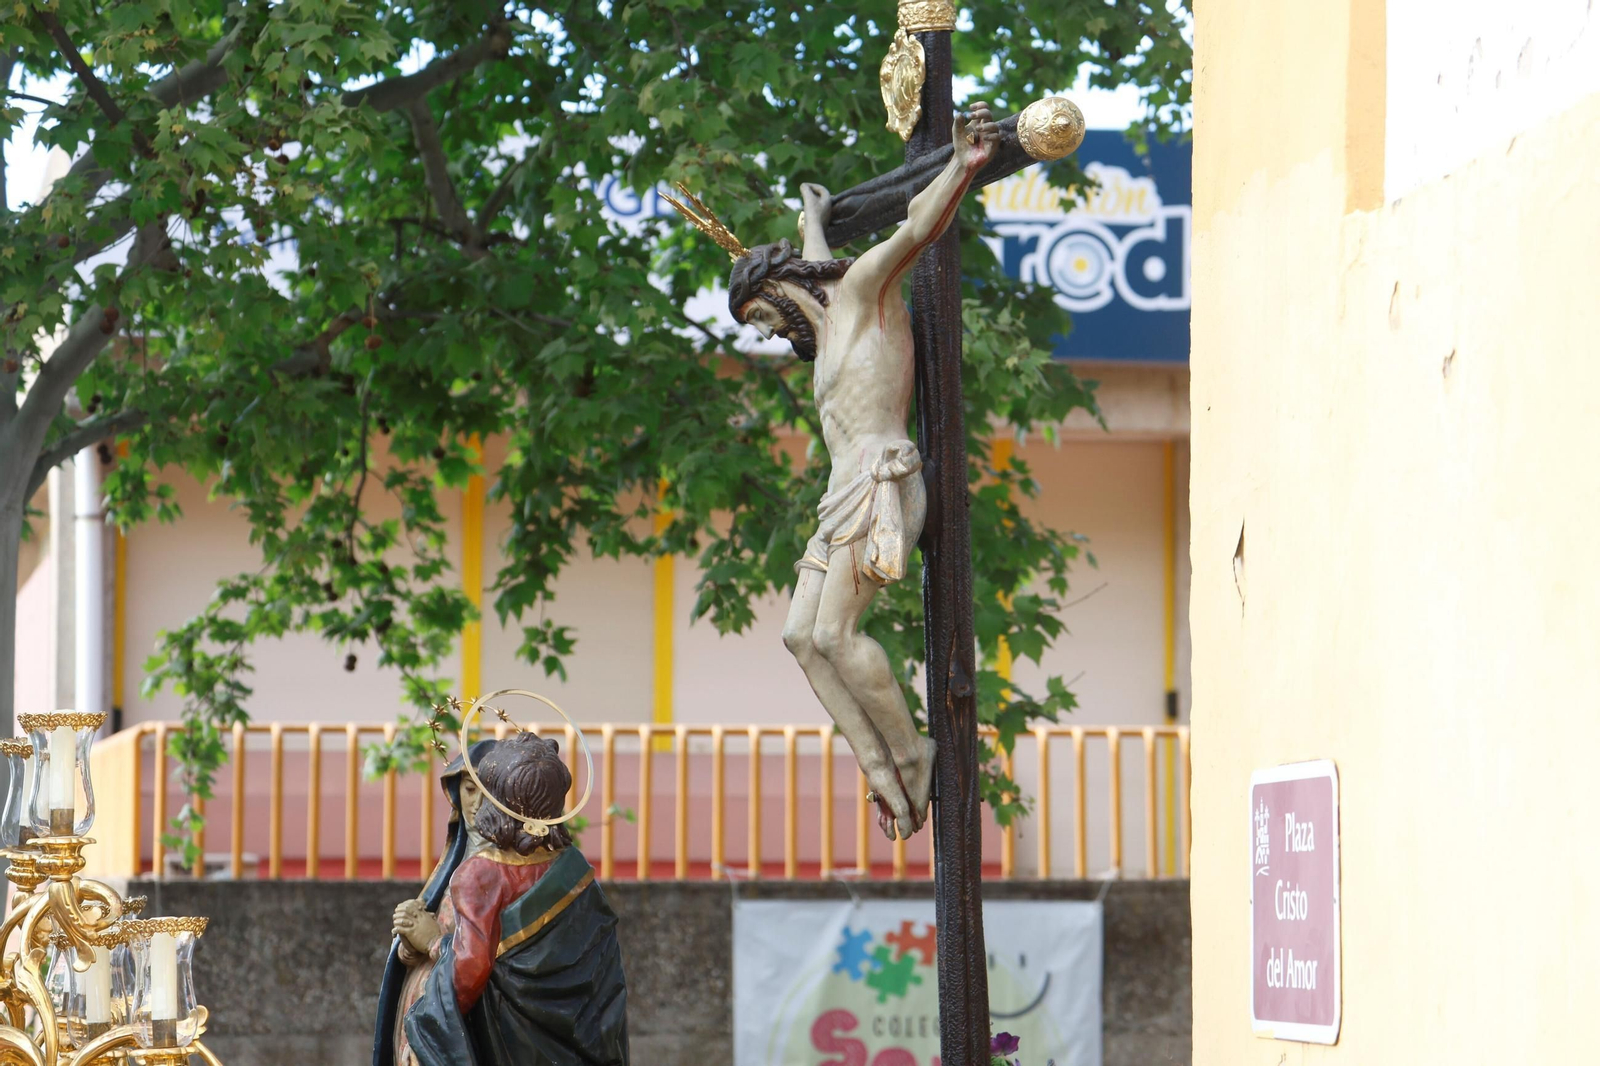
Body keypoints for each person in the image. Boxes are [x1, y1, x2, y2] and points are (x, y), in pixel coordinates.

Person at [729, 103, 1001, 840]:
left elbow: (914, 230)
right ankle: (878, 765)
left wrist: (963, 164)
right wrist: (813, 217)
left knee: (838, 636)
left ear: (782, 287)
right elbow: (812, 264)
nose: (764, 331)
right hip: (842, 493)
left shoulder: (863, 294)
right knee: (799, 637)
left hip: (884, 480)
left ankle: (913, 756)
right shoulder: (824, 337)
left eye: (760, 314)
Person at [402, 733, 629, 1066]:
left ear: (500, 800)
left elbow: (467, 975)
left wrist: (433, 943)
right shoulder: (577, 872)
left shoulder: (481, 876)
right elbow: (604, 980)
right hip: (580, 1047)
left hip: (507, 1045)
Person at [373, 739, 497, 1066]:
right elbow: (432, 932)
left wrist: (429, 940)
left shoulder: (503, 872)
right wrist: (407, 942)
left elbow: (485, 961)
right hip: (423, 1005)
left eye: (488, 792)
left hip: (460, 1016)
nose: (477, 803)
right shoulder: (456, 863)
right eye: (470, 790)